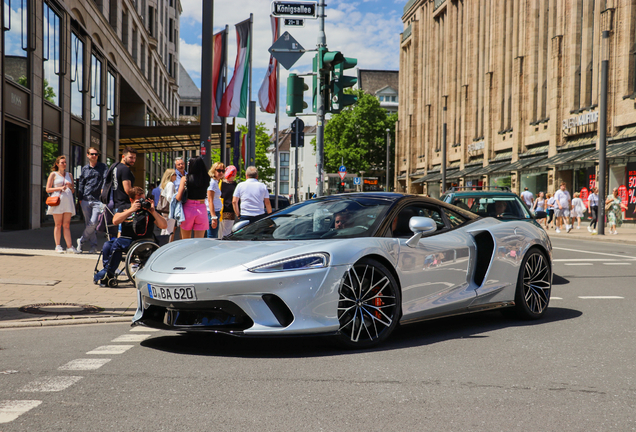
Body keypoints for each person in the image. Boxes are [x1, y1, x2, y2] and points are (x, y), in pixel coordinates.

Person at [93, 187, 167, 285]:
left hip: (143, 242)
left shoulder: (148, 211)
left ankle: (107, 273)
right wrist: (131, 210)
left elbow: (164, 225)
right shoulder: (125, 208)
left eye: (143, 200)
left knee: (117, 243)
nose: (141, 202)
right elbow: (115, 221)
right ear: (131, 200)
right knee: (107, 245)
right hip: (126, 240)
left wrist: (153, 211)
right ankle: (108, 271)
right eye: (138, 200)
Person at [45, 155, 79, 253]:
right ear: (57, 164)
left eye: (65, 162)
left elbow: (72, 191)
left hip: (68, 201)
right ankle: (58, 245)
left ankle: (69, 246)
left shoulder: (69, 175)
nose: (64, 164)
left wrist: (71, 187)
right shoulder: (53, 174)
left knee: (67, 225)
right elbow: (48, 189)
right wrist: (59, 188)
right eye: (62, 163)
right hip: (58, 201)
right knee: (58, 224)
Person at [77, 147, 107, 253]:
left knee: (94, 222)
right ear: (87, 155)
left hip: (97, 199)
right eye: (92, 154)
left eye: (96, 154)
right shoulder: (85, 169)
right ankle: (93, 246)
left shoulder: (103, 167)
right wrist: (80, 198)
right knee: (88, 223)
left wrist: (103, 191)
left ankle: (81, 240)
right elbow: (81, 183)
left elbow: (105, 180)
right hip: (85, 199)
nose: (94, 156)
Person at [177, 156, 209, 239]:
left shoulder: (185, 179)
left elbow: (179, 197)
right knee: (199, 241)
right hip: (202, 209)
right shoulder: (206, 178)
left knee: (185, 240)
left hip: (188, 209)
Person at [112, 146, 137, 212]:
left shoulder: (116, 167)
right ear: (123, 157)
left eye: (134, 158)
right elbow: (128, 190)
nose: (133, 160)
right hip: (124, 205)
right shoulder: (125, 169)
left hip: (116, 204)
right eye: (131, 157)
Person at [219, 165, 238, 238]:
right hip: (230, 211)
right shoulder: (235, 186)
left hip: (220, 210)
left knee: (219, 232)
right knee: (227, 232)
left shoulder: (220, 184)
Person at [206, 162, 225, 239]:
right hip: (212, 213)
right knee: (212, 237)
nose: (221, 173)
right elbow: (210, 200)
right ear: (214, 170)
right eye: (218, 170)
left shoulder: (216, 182)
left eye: (223, 171)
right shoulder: (212, 182)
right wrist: (213, 217)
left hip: (215, 212)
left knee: (213, 236)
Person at [159, 168, 176, 240]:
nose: (176, 176)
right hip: (170, 210)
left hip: (165, 210)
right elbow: (170, 197)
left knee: (164, 229)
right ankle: (166, 246)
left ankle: (161, 245)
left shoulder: (165, 184)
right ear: (170, 176)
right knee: (169, 230)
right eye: (174, 174)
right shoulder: (170, 184)